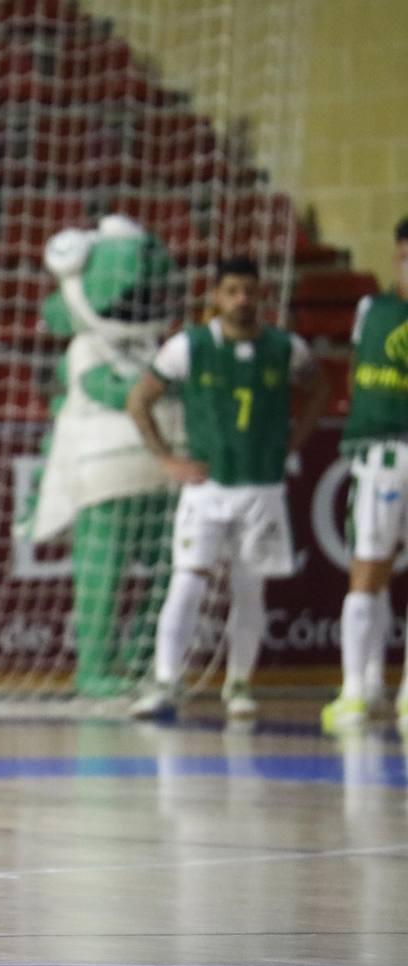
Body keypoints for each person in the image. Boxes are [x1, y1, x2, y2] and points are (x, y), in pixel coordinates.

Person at [126, 257, 329, 719]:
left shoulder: (285, 347)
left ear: (261, 295)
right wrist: (167, 458)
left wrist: (295, 439)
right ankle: (165, 683)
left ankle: (238, 685)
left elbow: (319, 387)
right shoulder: (189, 347)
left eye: (250, 291)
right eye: (232, 290)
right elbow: (138, 399)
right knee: (187, 581)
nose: (242, 300)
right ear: (215, 296)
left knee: (249, 588)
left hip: (262, 489)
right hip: (207, 488)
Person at [322, 217, 408, 733]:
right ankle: (358, 689)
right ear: (399, 252)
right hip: (380, 453)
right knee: (368, 570)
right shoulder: (372, 309)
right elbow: (357, 373)